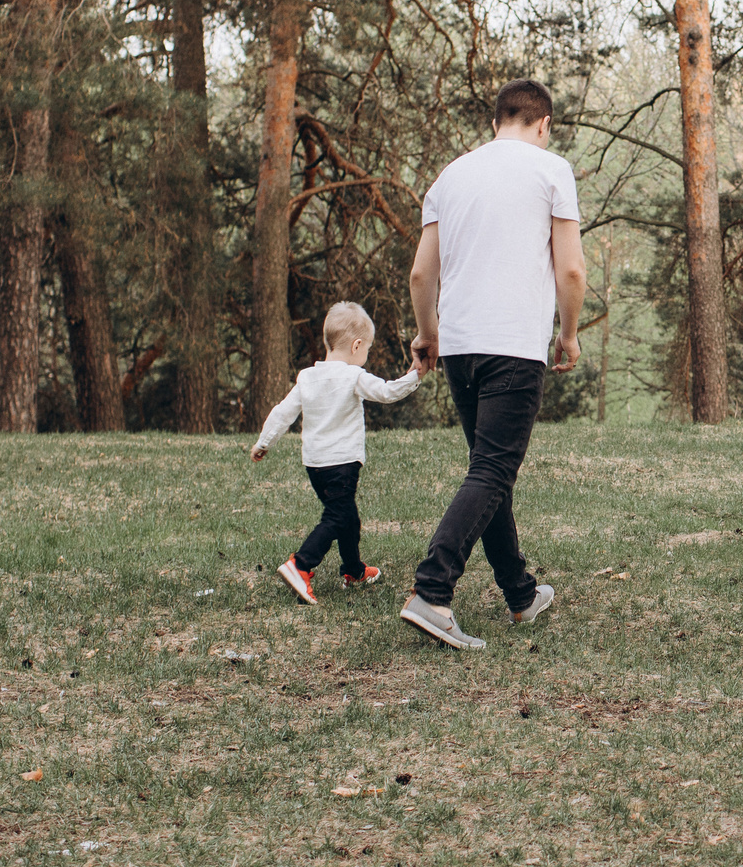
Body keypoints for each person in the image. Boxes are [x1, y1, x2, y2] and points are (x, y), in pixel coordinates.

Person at [400, 78, 585, 649]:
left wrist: (428, 335)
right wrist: (570, 334)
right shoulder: (552, 171)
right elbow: (572, 271)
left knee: (489, 467)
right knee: (492, 471)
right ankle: (432, 591)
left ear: (497, 119)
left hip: (458, 345)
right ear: (543, 123)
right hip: (513, 343)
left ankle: (521, 594)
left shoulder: (450, 177)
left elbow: (420, 274)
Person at [251, 301, 423, 603]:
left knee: (347, 517)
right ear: (357, 345)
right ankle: (300, 565)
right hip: (342, 465)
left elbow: (282, 413)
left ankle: (354, 570)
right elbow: (386, 392)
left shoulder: (307, 377)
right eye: (366, 349)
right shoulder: (352, 376)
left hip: (315, 465)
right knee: (336, 517)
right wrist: (415, 376)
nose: (365, 355)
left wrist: (264, 442)